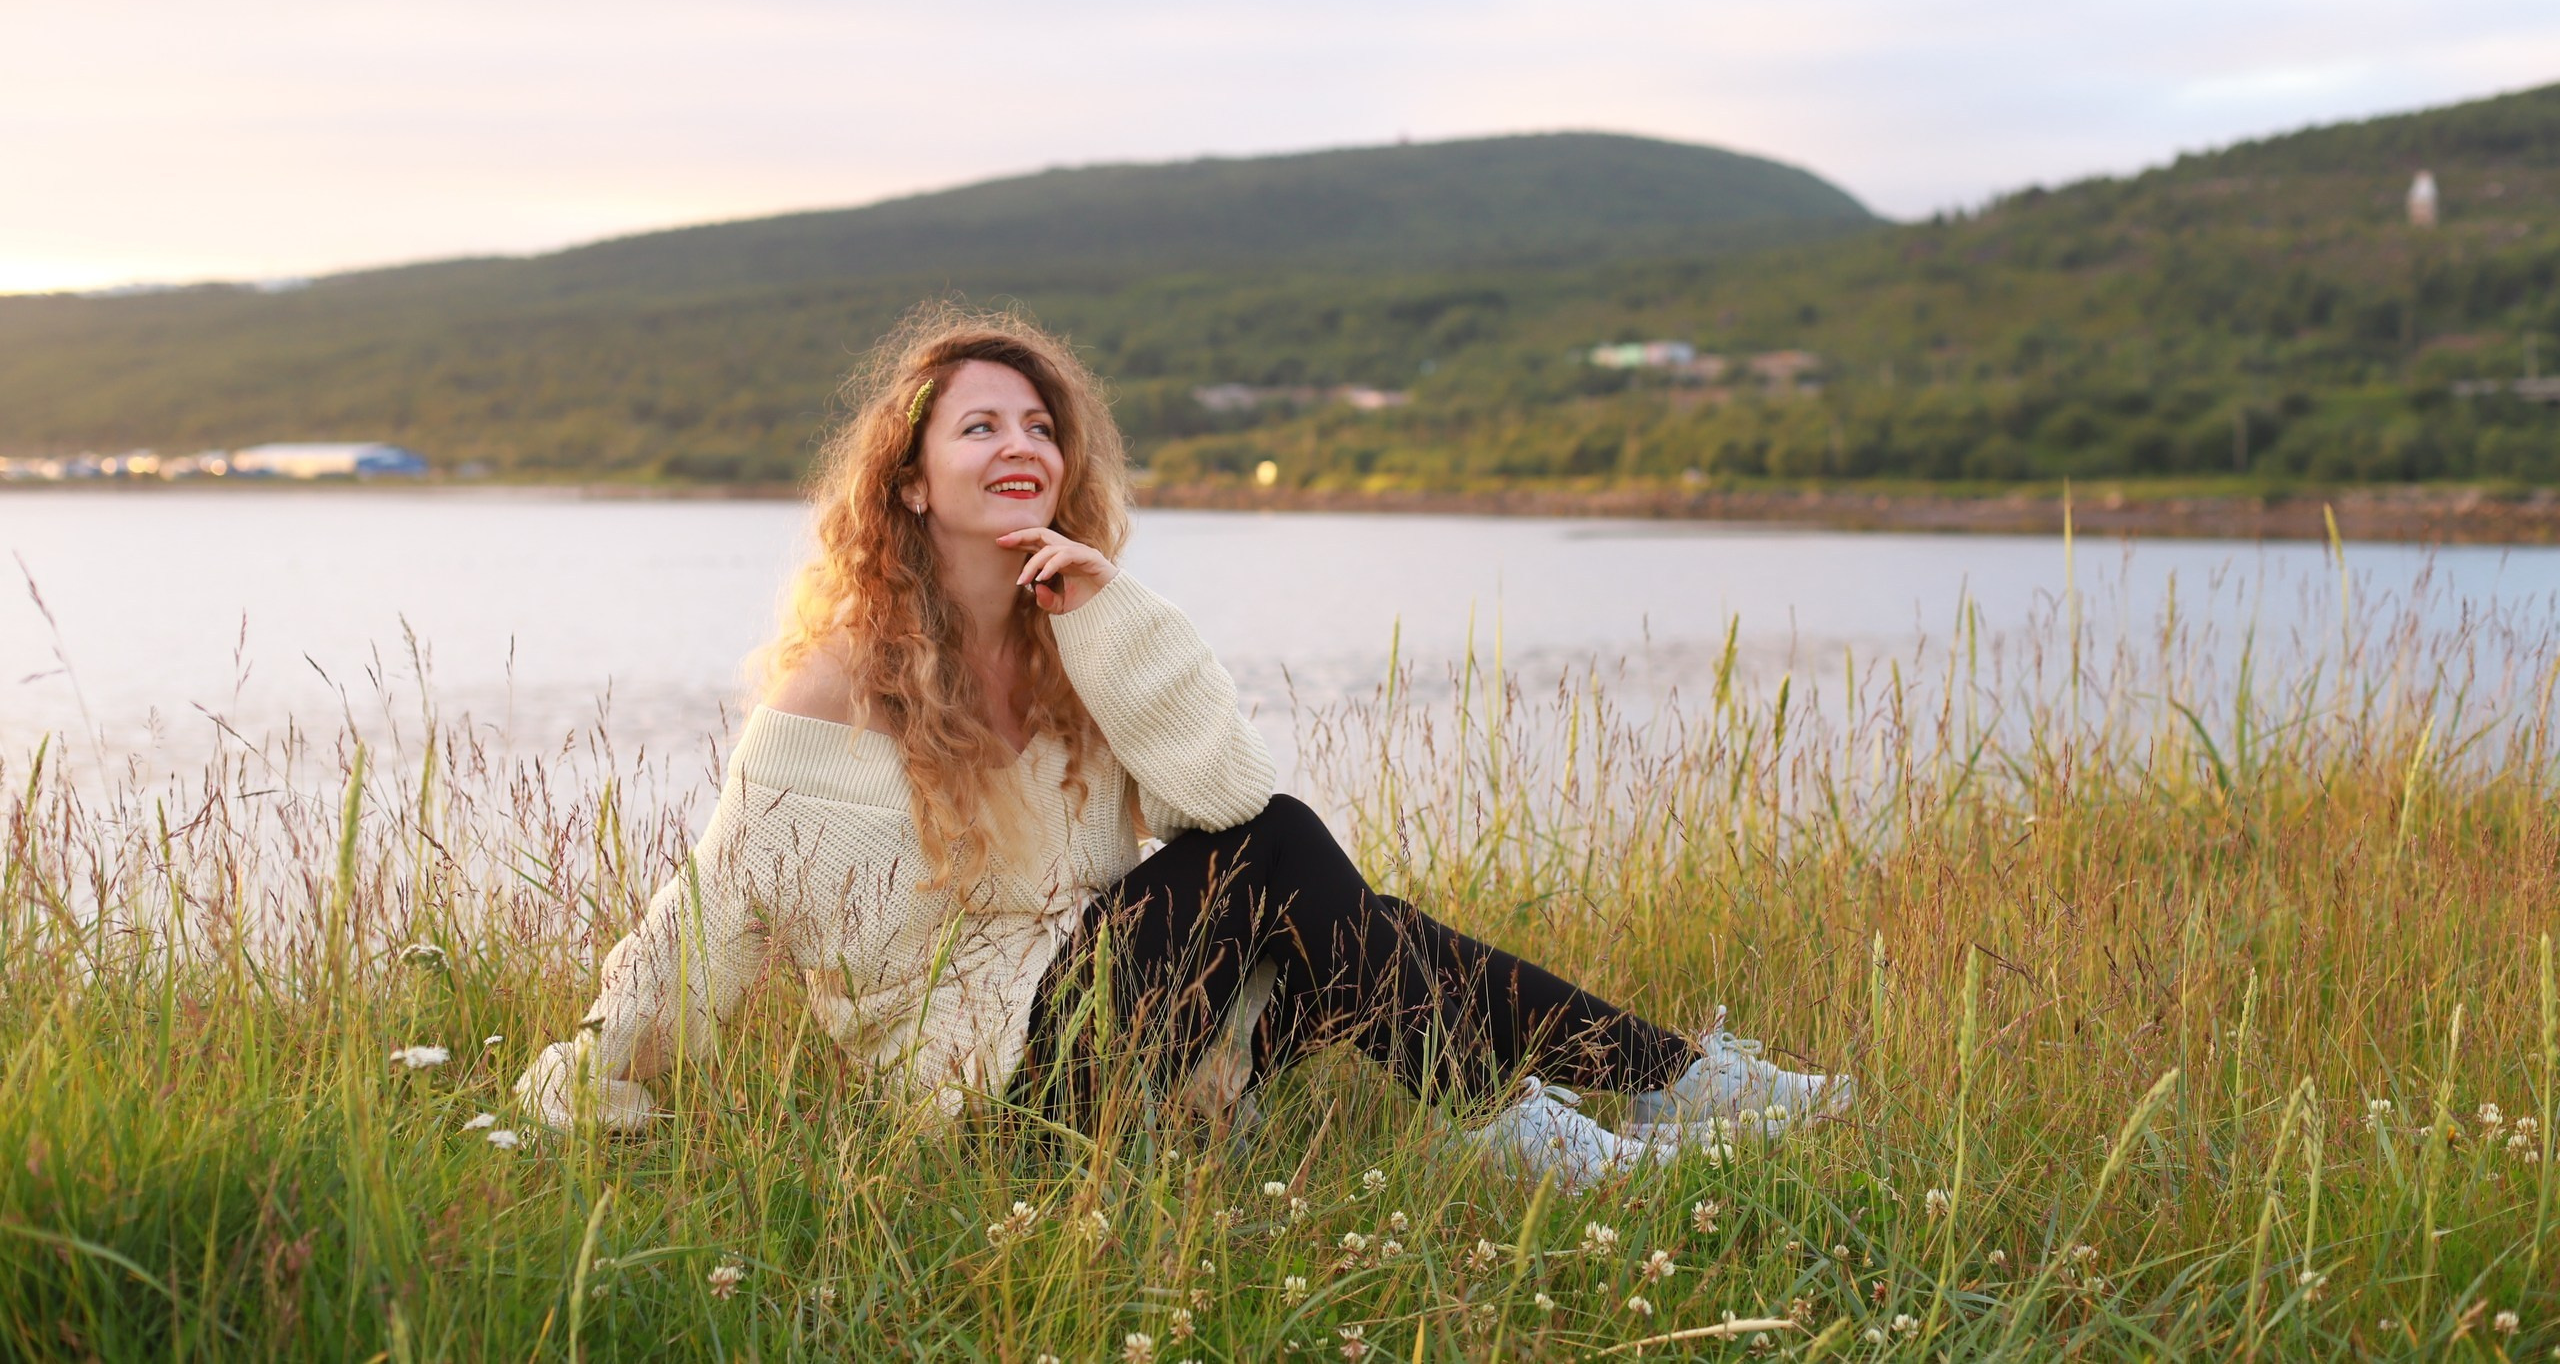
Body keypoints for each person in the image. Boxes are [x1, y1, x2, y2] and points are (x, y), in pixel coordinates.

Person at [517, 308, 1848, 1186]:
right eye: (979, 425)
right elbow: (709, 918)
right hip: (999, 1107)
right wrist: (582, 1081)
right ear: (910, 480)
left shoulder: (1079, 641)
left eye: (1041, 425)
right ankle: (1602, 1110)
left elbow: (1224, 797)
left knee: (1341, 910)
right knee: (1290, 865)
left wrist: (1108, 616)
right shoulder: (833, 692)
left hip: (1138, 1040)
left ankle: (1643, 1095)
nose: (1021, 444)